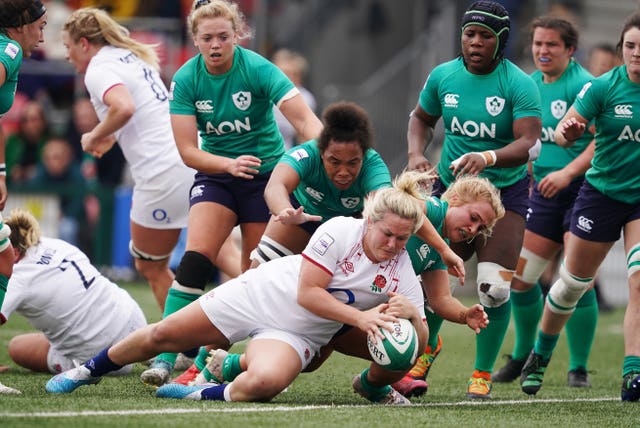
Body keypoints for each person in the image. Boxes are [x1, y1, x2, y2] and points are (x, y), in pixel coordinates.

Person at [46, 170, 432, 405]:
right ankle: (86, 371)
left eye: (403, 239)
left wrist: (414, 315)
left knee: (264, 383)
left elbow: (422, 337)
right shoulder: (339, 230)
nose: (394, 245)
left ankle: (199, 392)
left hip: (297, 332)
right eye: (389, 234)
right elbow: (307, 293)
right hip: (260, 294)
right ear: (368, 221)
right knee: (164, 334)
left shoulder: (402, 267)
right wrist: (361, 317)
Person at [143, 0, 323, 386]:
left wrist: (335, 151)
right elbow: (188, 152)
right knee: (195, 261)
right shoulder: (187, 78)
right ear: (195, 40)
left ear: (236, 35)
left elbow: (305, 120)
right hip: (217, 176)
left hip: (266, 179)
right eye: (207, 38)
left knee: (251, 278)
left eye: (223, 36)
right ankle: (163, 358)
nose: (215, 45)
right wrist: (227, 164)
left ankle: (211, 361)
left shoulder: (258, 68)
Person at [405, 0, 542, 399]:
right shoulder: (443, 75)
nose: (475, 42)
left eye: (485, 36)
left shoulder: (518, 83)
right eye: (469, 34)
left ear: (501, 40)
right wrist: (416, 154)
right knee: (433, 276)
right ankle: (426, 350)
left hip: (506, 195)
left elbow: (529, 142)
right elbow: (420, 118)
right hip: (455, 195)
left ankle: (481, 374)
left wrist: (488, 157)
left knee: (494, 288)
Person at [519, 12, 640, 402]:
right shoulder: (604, 87)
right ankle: (539, 353)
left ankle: (630, 373)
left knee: (639, 282)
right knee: (568, 285)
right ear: (622, 49)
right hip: (599, 195)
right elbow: (573, 122)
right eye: (631, 46)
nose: (637, 54)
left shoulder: (593, 81)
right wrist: (571, 128)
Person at [490, 16, 598, 389]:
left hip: (585, 190)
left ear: (570, 50)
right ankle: (522, 356)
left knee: (576, 280)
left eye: (551, 44)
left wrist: (567, 173)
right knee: (520, 280)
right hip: (542, 193)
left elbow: (604, 140)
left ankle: (578, 368)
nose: (542, 51)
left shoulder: (585, 86)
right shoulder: (530, 86)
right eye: (538, 44)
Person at [1, 208, 147, 375]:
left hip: (103, 358)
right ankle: (152, 351)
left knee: (17, 346)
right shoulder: (53, 243)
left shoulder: (17, 278)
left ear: (15, 252)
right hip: (135, 320)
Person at [0, 0, 48, 395]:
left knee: (2, 256)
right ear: (20, 26)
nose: (43, 34)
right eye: (40, 26)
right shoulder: (9, 50)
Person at [26, 137, 87, 246]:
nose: (51, 162)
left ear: (67, 158)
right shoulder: (38, 175)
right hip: (44, 218)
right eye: (47, 158)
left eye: (56, 157)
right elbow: (33, 202)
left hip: (68, 220)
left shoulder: (76, 175)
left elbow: (77, 206)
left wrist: (62, 214)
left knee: (67, 228)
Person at [271, 48, 317, 149]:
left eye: (289, 74)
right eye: (280, 72)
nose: (284, 78)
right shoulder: (262, 93)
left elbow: (305, 136)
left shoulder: (305, 98)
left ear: (298, 77)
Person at [5, 99, 50, 184]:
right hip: (15, 190)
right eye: (25, 120)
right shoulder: (13, 141)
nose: (29, 124)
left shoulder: (52, 141)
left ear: (43, 121)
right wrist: (12, 171)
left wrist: (38, 171)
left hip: (45, 189)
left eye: (33, 119)